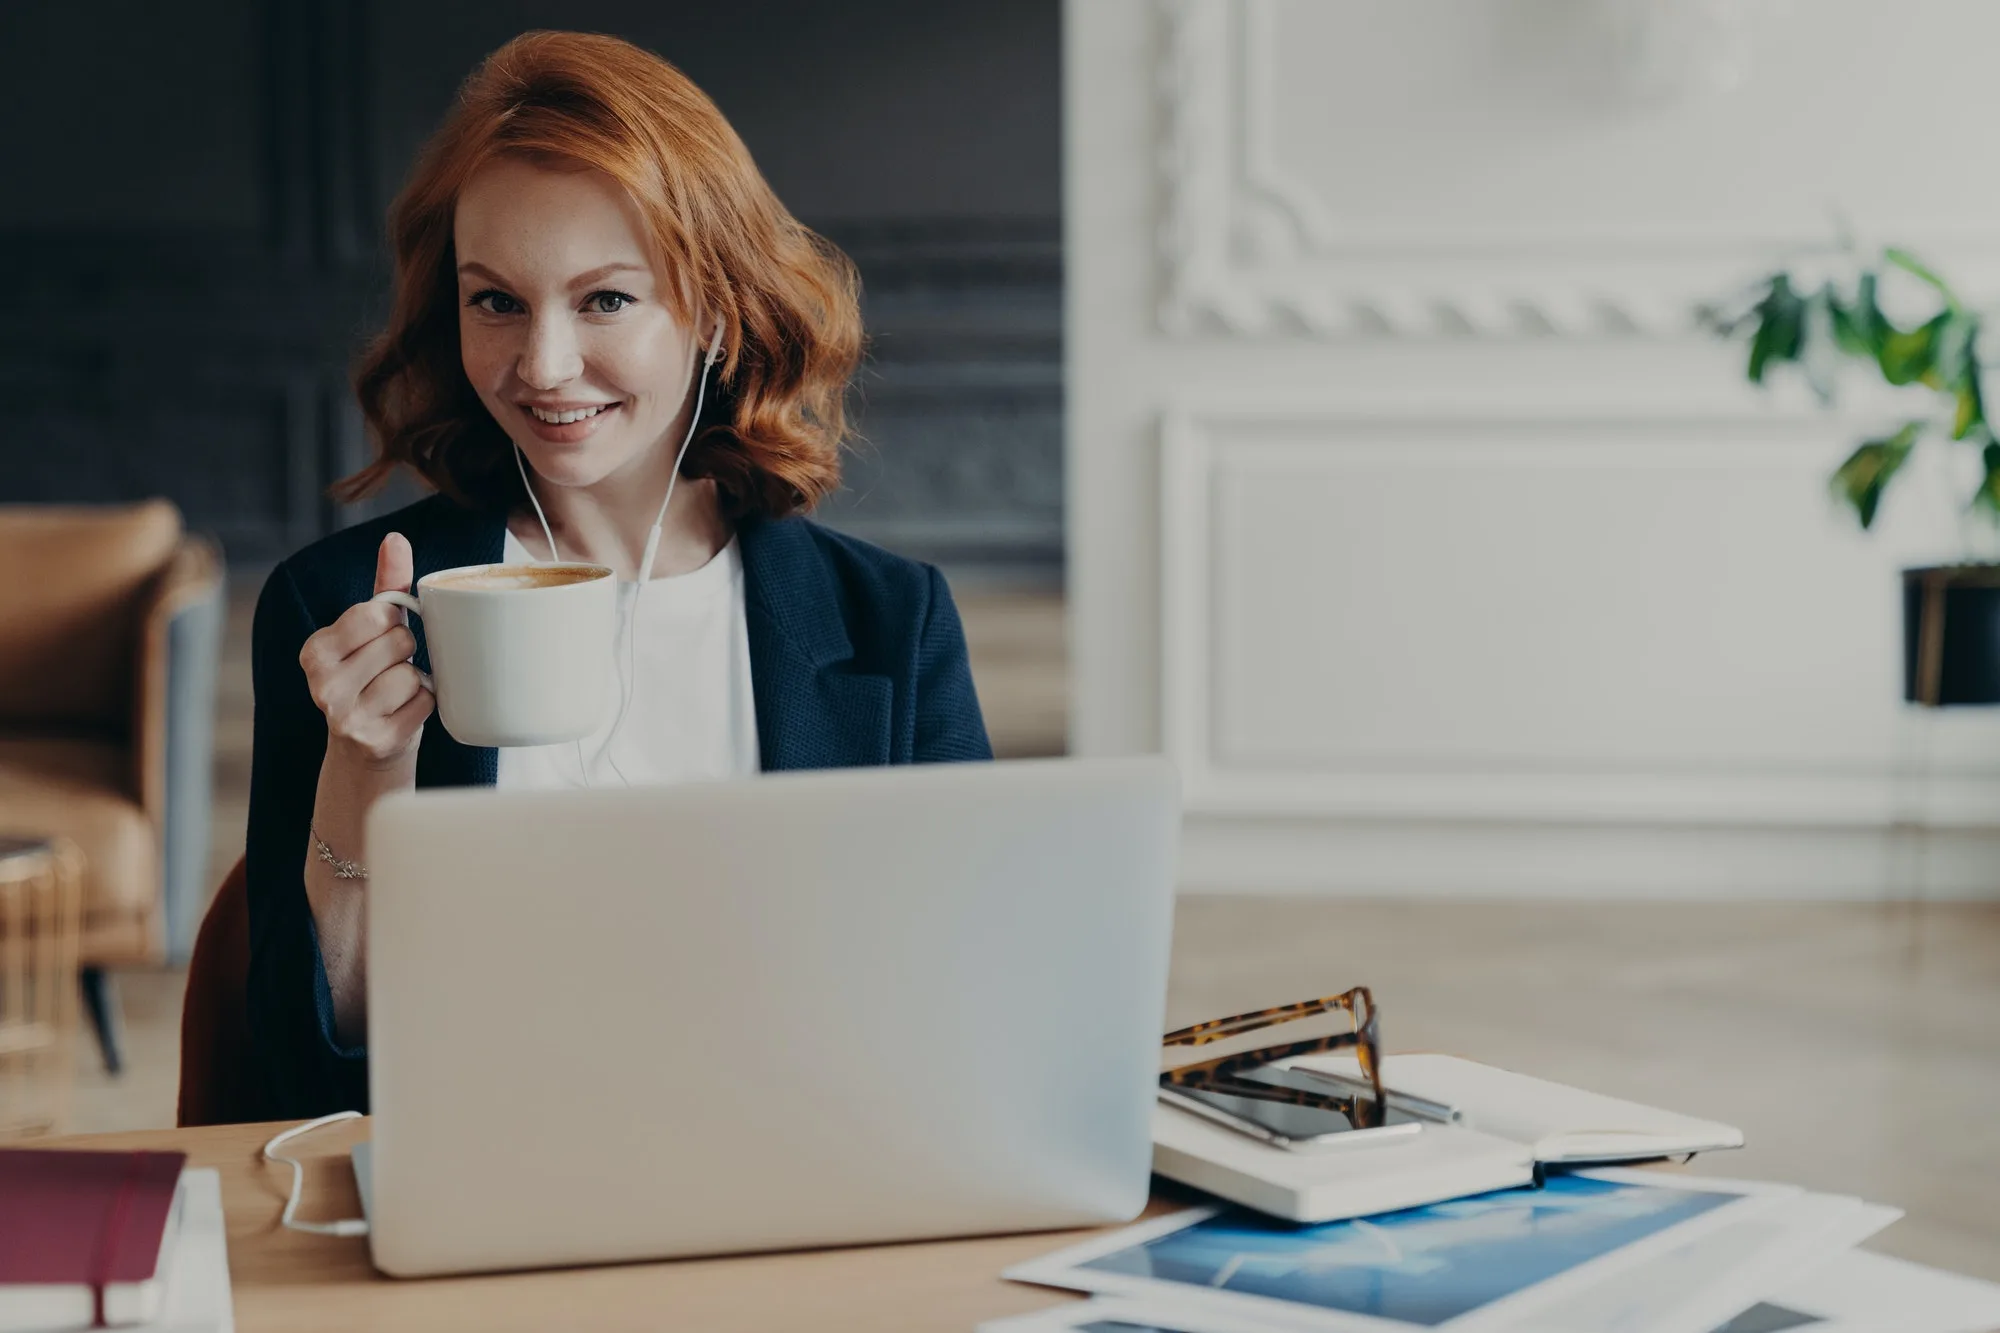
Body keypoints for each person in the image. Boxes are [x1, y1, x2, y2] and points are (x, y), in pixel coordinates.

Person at [245, 31, 992, 1119]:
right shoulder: (338, 610)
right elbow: (299, 1076)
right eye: (494, 300)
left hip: (800, 1170)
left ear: (718, 310)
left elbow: (971, 1002)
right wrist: (364, 778)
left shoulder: (889, 622)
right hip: (476, 1182)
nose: (542, 367)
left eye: (604, 301)